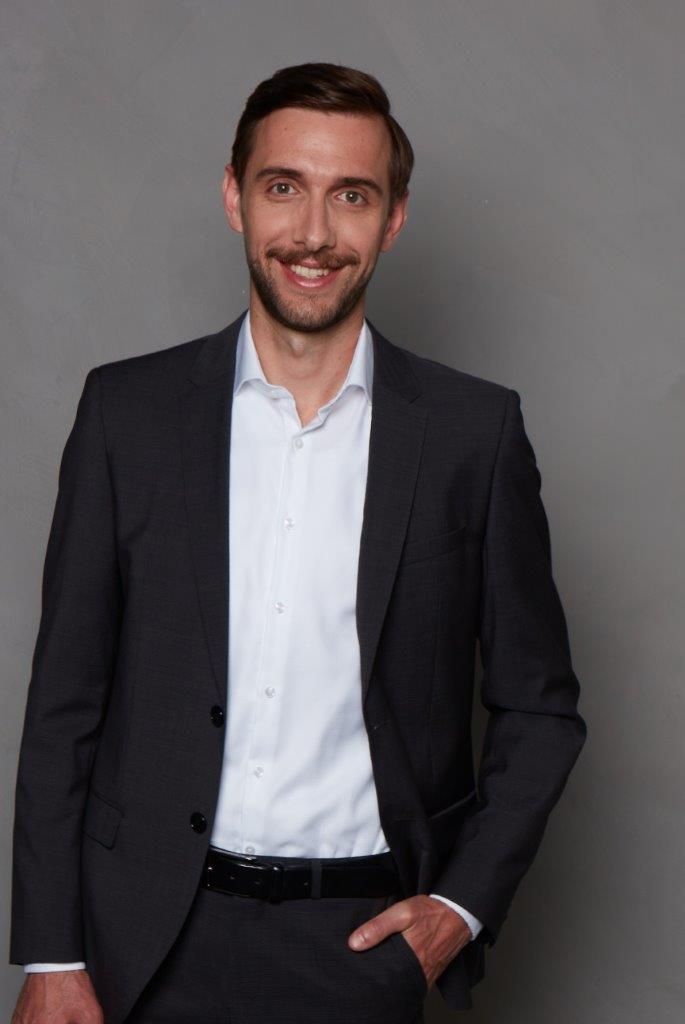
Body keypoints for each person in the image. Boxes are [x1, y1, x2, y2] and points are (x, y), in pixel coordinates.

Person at [9, 62, 586, 1023]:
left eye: (350, 196)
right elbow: (65, 701)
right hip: (137, 944)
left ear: (392, 218)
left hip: (363, 949)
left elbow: (539, 709)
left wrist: (458, 909)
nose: (313, 233)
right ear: (235, 197)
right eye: (284, 187)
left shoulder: (470, 435)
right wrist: (51, 952)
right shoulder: (127, 415)